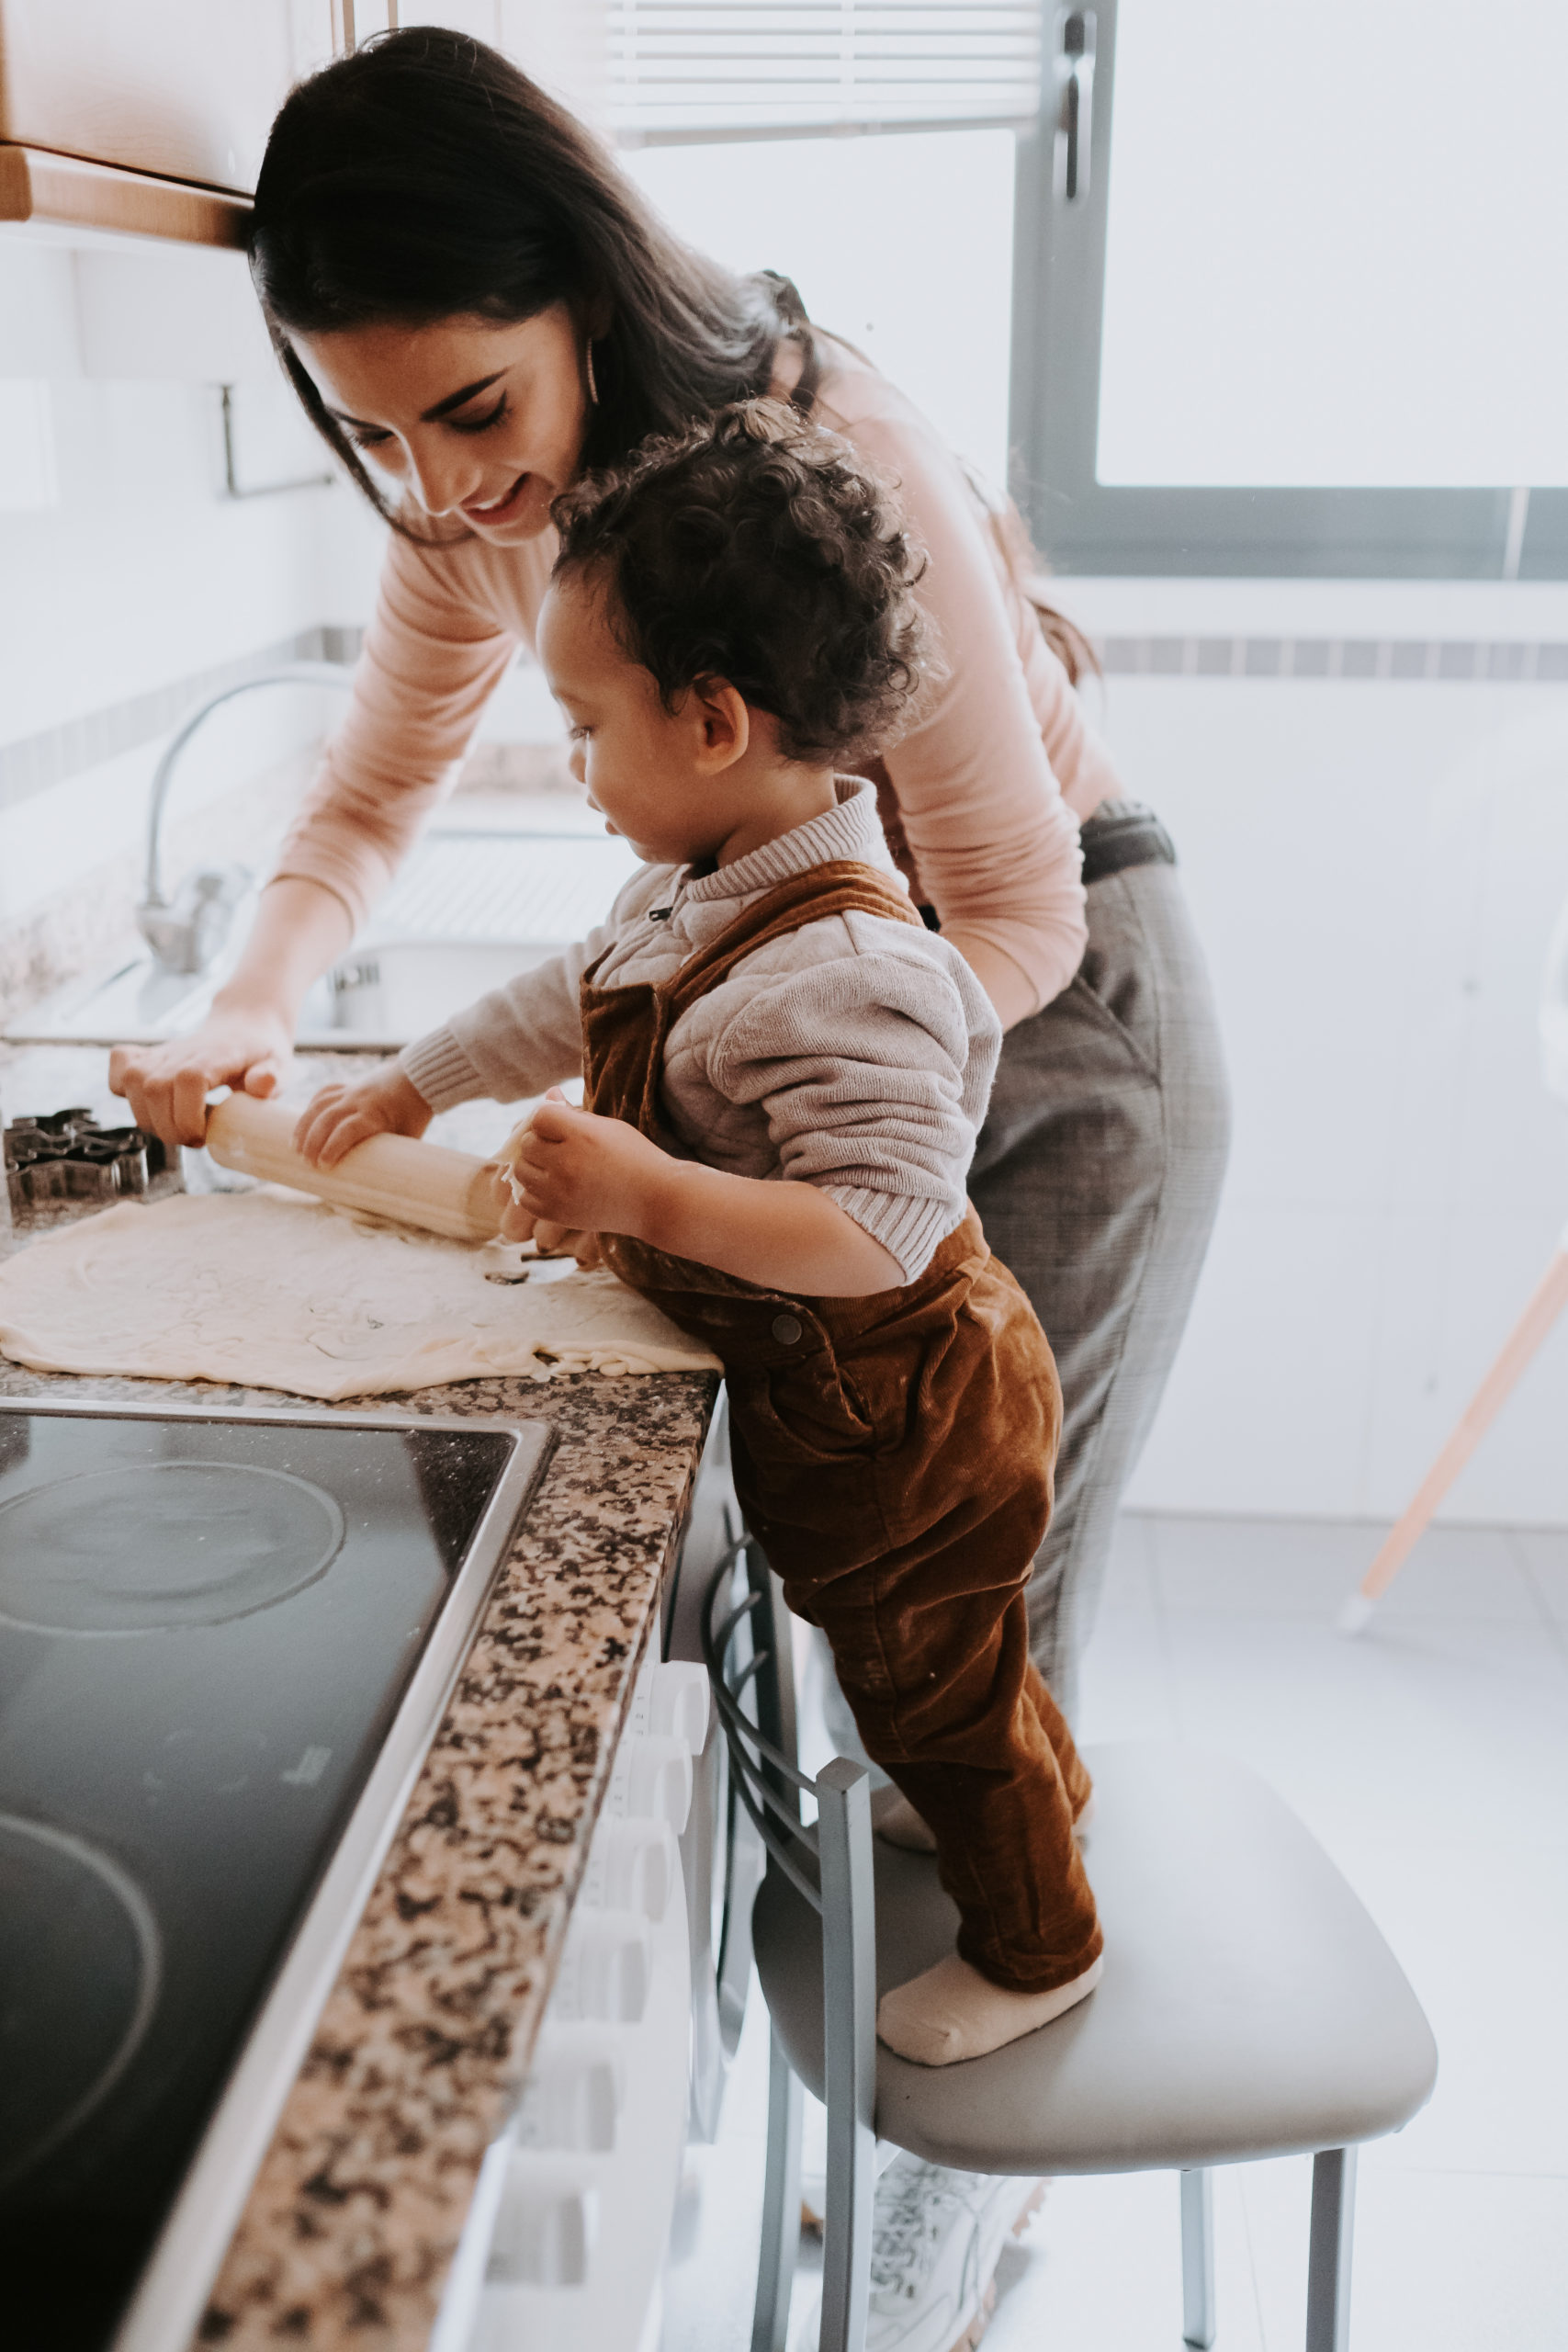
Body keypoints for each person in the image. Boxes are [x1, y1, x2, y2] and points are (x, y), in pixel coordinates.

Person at [107, 13, 1228, 2324]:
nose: (436, 488)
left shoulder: (819, 462)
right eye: (376, 433)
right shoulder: (480, 501)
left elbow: (996, 917)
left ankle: (964, 2205)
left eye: (473, 414)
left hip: (1042, 1021)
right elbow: (366, 801)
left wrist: (715, 1121)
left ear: (587, 302)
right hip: (820, 1022)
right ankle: (893, 2115)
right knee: (886, 1659)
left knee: (969, 1660)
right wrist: (247, 1011)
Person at [301, 399, 1106, 2064]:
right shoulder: (703, 882)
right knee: (950, 1670)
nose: (575, 767)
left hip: (906, 1412)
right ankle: (1028, 1781)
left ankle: (1042, 1949)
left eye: (586, 728)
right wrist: (410, 1084)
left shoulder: (848, 968)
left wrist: (644, 1196)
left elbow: (884, 1229)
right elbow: (574, 996)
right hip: (854, 1400)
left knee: (926, 1683)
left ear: (717, 718)